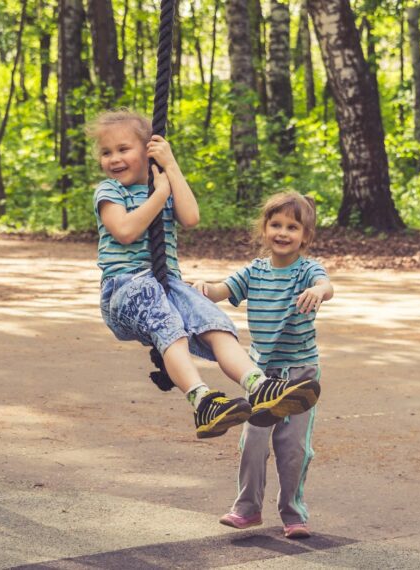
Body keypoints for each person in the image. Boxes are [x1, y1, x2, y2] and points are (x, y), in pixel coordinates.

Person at [87, 109, 321, 440]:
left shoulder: (162, 184)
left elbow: (192, 216)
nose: (114, 159)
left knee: (215, 323)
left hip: (166, 285)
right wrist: (159, 196)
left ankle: (259, 386)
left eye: (123, 149)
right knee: (171, 328)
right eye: (106, 152)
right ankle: (201, 400)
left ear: (149, 150)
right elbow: (124, 231)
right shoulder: (110, 191)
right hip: (125, 290)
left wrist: (170, 167)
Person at [192, 191, 333, 539]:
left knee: (293, 449)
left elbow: (325, 285)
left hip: (300, 375)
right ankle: (247, 508)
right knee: (253, 442)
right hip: (260, 376)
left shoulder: (307, 271)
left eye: (292, 227)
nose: (283, 233)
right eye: (276, 224)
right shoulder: (254, 271)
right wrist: (199, 288)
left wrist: (320, 291)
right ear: (265, 228)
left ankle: (293, 512)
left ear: (305, 236)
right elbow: (220, 290)